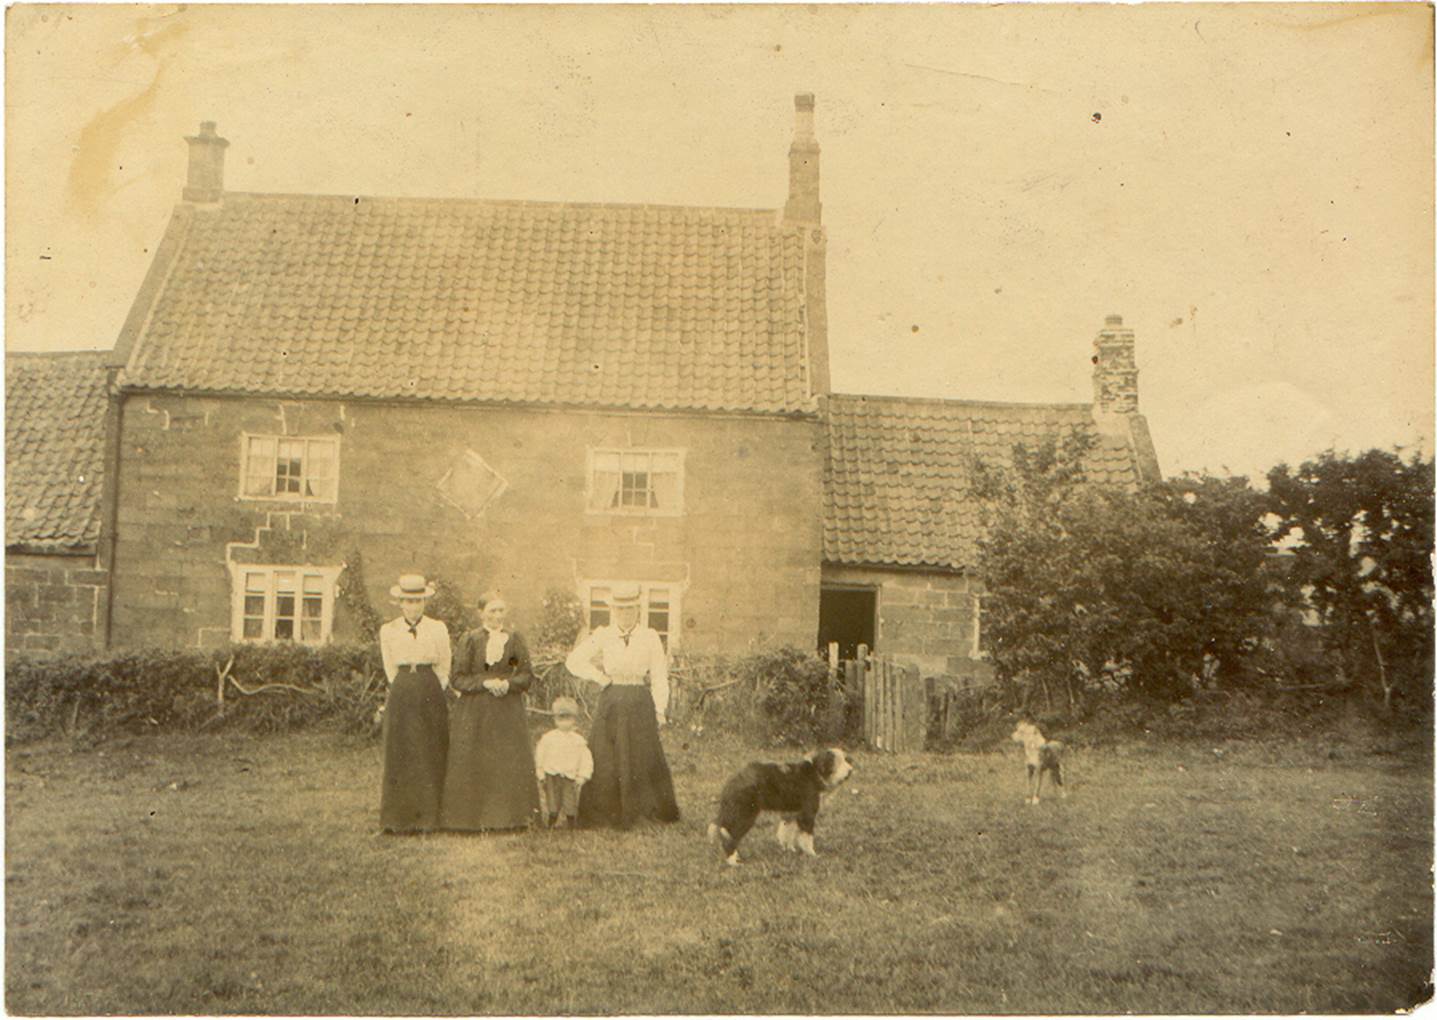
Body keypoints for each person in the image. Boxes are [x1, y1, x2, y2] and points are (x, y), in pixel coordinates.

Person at [565, 583, 680, 828]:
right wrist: (600, 678)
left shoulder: (650, 637)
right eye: (621, 609)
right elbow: (574, 661)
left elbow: (659, 675)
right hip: (612, 699)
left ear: (638, 610)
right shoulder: (604, 634)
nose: (626, 614)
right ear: (614, 610)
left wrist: (660, 709)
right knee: (606, 755)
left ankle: (643, 809)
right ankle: (606, 810)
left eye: (631, 609)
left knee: (641, 753)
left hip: (639, 699)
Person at [440, 592, 541, 831]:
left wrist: (508, 684)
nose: (497, 616)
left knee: (507, 760)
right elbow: (458, 678)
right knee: (475, 759)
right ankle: (470, 821)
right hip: (476, 711)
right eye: (492, 611)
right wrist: (484, 683)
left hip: (507, 711)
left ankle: (510, 819)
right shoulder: (471, 639)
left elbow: (525, 674)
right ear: (481, 612)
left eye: (501, 611)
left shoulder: (514, 640)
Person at [377, 573, 451, 833]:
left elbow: (444, 664)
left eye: (418, 601)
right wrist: (402, 688)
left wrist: (432, 687)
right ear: (400, 603)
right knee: (401, 750)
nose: (414, 606)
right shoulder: (388, 630)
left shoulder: (437, 628)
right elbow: (389, 666)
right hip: (402, 688)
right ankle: (398, 819)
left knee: (429, 748)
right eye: (408, 601)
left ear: (424, 602)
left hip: (429, 685)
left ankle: (429, 818)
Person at [534, 697, 593, 828]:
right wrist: (540, 772)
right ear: (555, 720)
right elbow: (540, 755)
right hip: (552, 775)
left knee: (569, 800)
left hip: (569, 777)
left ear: (574, 720)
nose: (565, 723)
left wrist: (583, 775)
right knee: (552, 800)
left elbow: (586, 759)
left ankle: (571, 822)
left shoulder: (578, 741)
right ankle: (551, 821)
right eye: (561, 719)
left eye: (568, 719)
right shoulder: (548, 738)